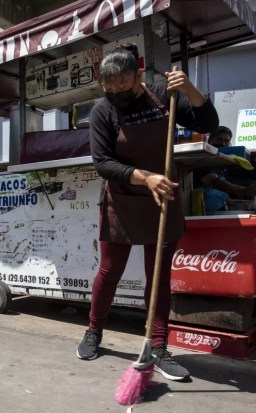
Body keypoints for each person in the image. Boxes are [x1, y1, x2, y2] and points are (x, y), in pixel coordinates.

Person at [77, 44, 219, 382]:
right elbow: (103, 163)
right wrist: (146, 178)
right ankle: (94, 331)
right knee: (110, 272)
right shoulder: (102, 111)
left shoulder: (162, 96)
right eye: (109, 91)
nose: (116, 97)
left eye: (123, 89)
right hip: (123, 199)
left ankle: (158, 346)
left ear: (138, 77)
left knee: (159, 277)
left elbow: (209, 120)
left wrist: (188, 88)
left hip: (163, 199)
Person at [198, 126, 256, 214]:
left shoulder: (223, 163)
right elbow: (214, 182)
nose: (223, 144)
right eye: (219, 140)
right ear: (210, 140)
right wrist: (244, 189)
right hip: (201, 213)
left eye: (226, 141)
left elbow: (222, 191)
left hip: (218, 213)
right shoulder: (202, 158)